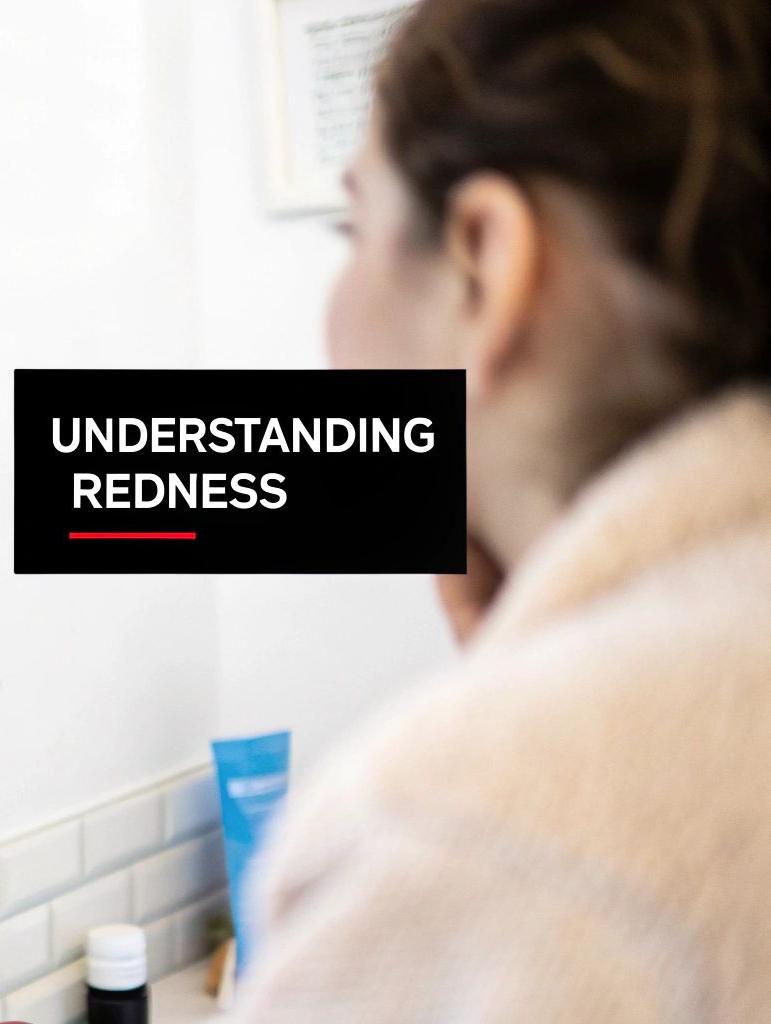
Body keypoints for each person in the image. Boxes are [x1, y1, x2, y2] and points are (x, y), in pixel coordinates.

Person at [239, 0, 770, 1018]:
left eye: (352, 227)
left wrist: (518, 735)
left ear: (482, 261)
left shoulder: (468, 846)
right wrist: (537, 663)